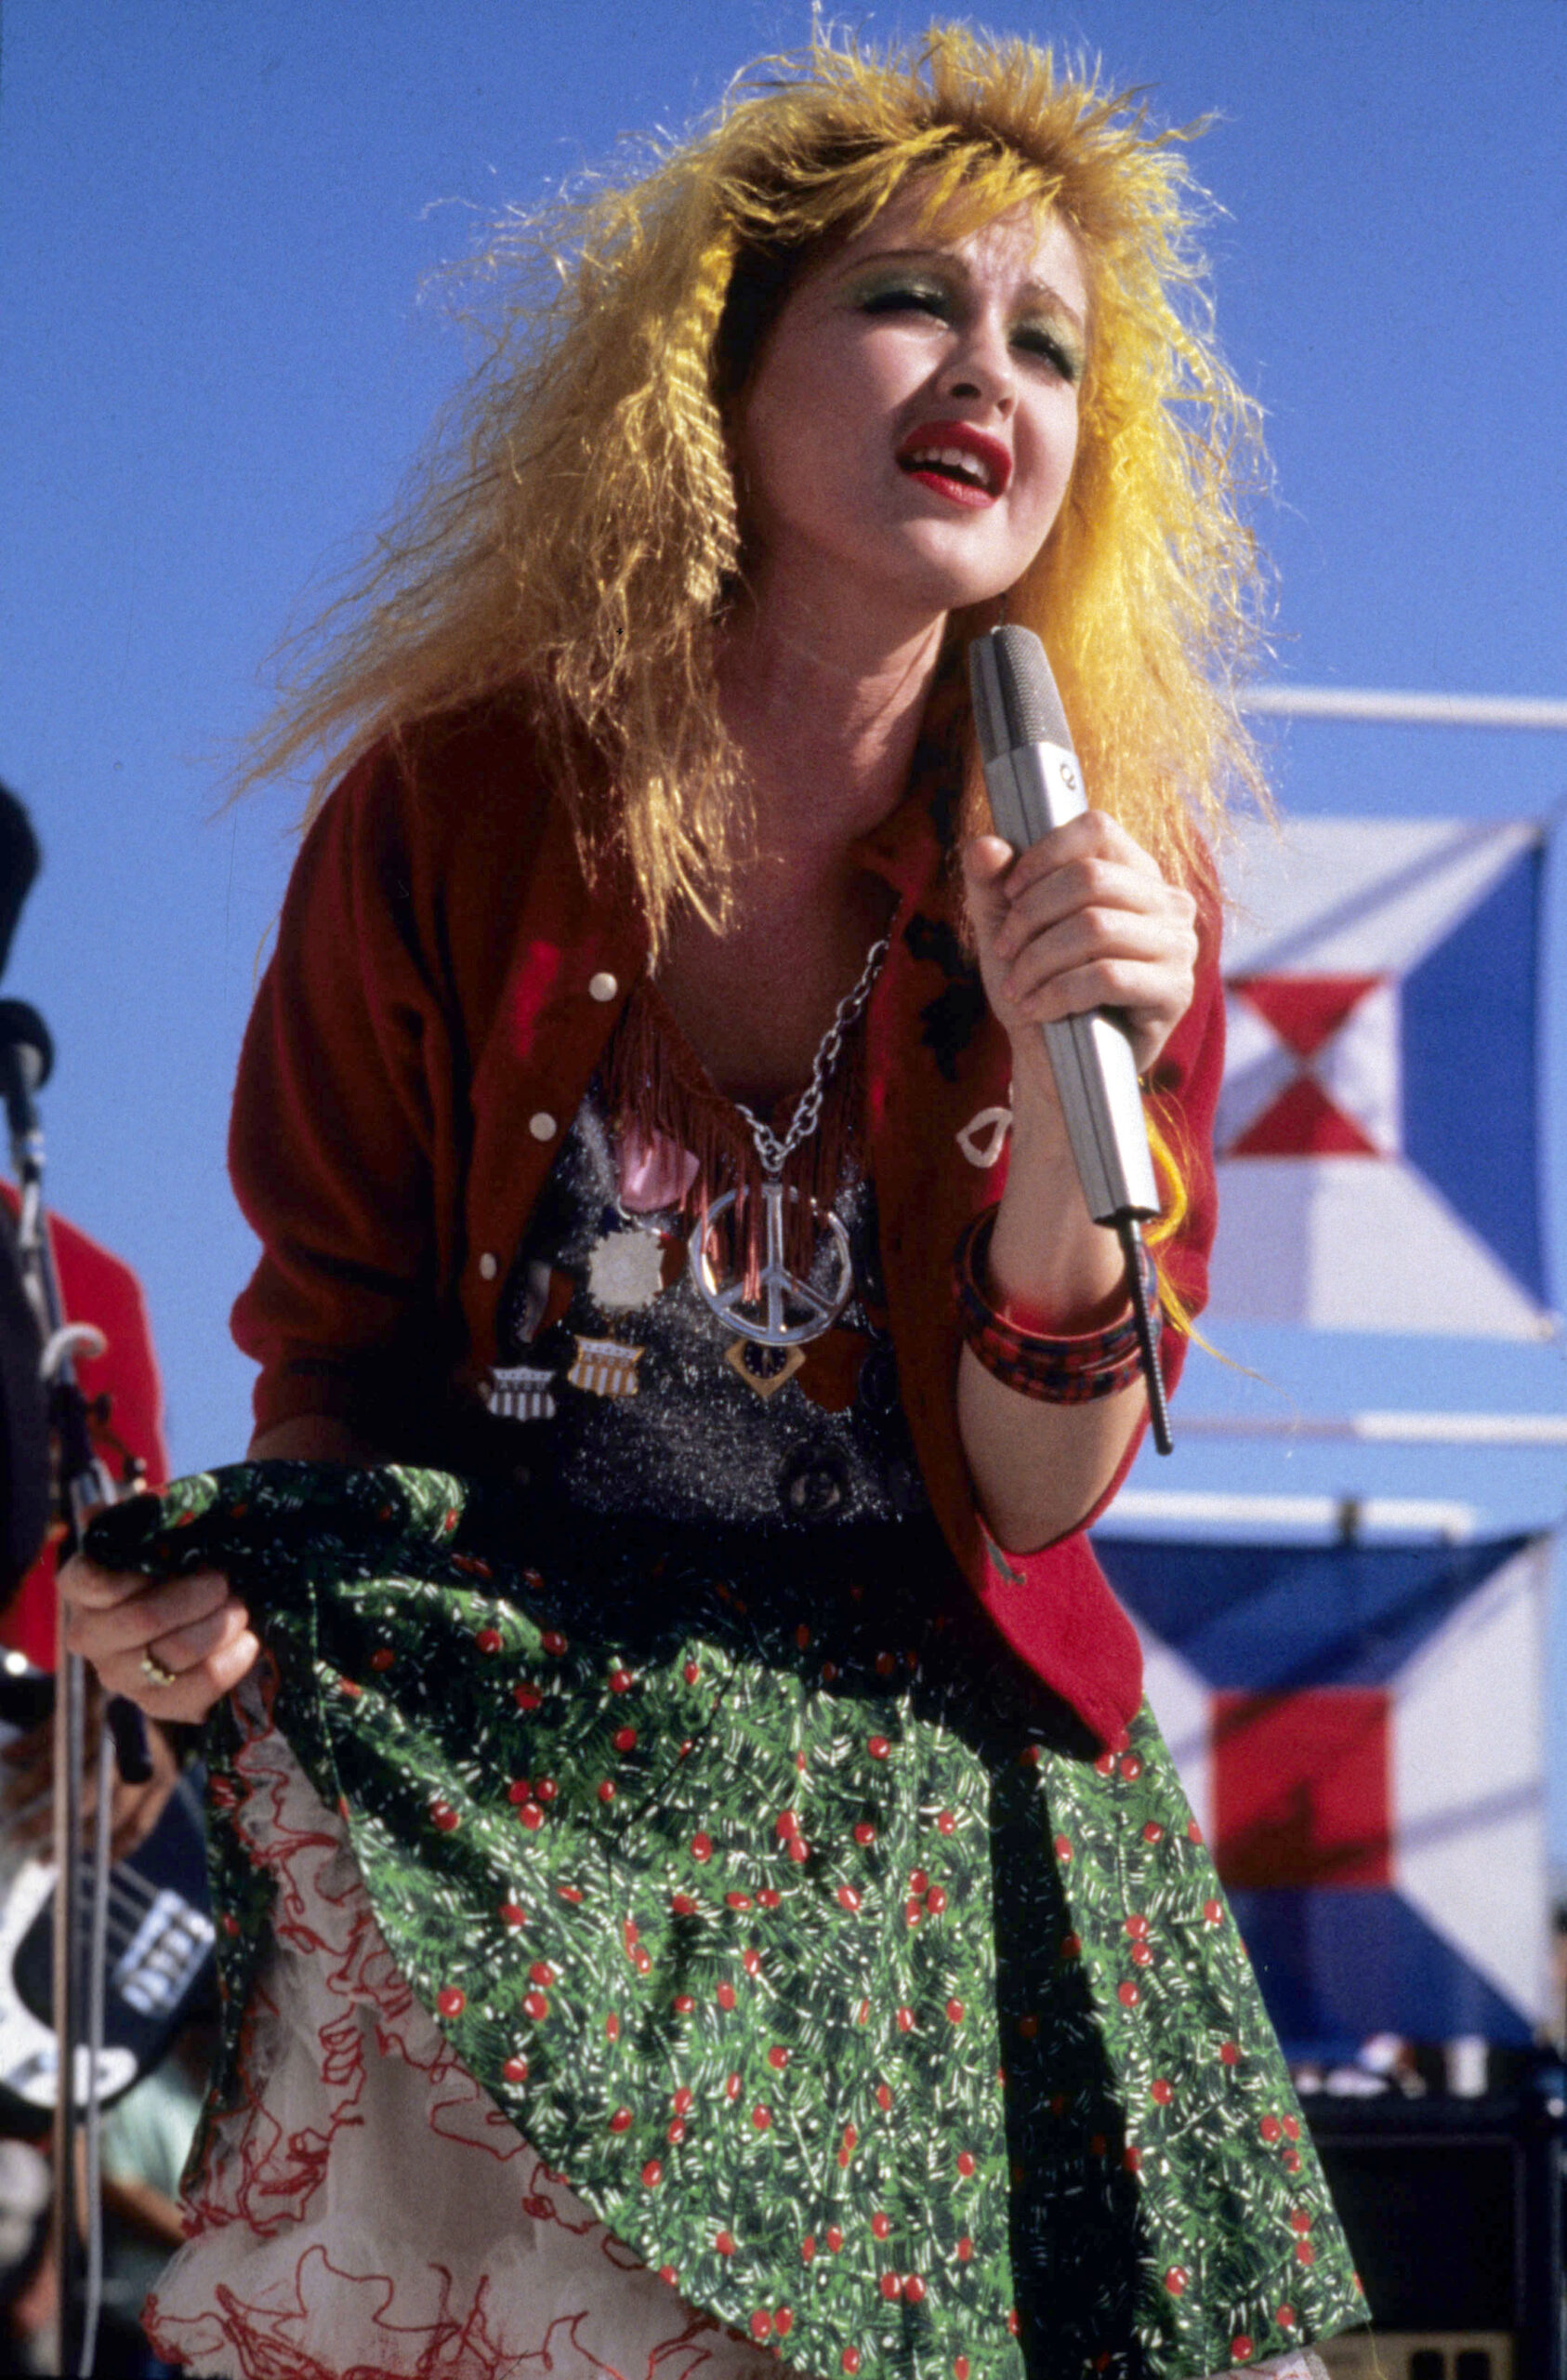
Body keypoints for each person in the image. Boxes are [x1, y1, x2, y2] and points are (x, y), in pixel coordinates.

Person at [59, 29, 1365, 2380]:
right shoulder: (451, 807)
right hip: (520, 1756)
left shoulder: (1116, 857)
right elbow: (340, 1346)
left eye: (1049, 344)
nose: (990, 374)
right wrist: (220, 1612)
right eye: (910, 305)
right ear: (716, 370)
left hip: (927, 1777)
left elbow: (1043, 1487)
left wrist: (1094, 1112)